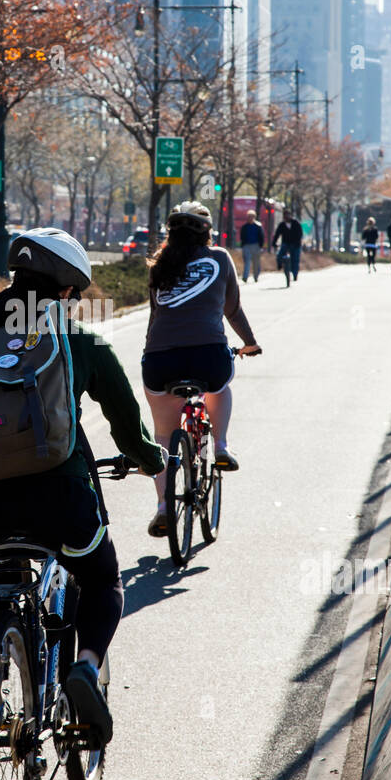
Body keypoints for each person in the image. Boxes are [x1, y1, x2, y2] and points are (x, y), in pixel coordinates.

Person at [0, 228, 163, 745]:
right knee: (103, 577)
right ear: (66, 290)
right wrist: (151, 459)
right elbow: (127, 424)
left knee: (4, 575)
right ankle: (85, 668)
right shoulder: (78, 340)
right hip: (57, 499)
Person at [141, 202, 261, 538]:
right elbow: (232, 310)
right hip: (208, 357)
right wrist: (249, 343)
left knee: (163, 435)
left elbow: (156, 317)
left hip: (159, 361)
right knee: (219, 387)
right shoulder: (220, 258)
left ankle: (164, 507)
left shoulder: (158, 266)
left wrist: (152, 352)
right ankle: (220, 446)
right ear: (207, 233)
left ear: (170, 234)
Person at [272, 211, 303, 284]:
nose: (287, 217)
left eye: (288, 215)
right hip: (285, 244)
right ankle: (280, 265)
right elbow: (277, 234)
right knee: (279, 255)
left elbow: (300, 234)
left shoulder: (296, 223)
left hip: (296, 244)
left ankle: (295, 274)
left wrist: (297, 243)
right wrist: (274, 243)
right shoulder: (282, 225)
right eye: (285, 215)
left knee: (295, 260)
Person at [240, 209, 265, 283]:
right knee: (247, 262)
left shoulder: (258, 226)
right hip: (247, 246)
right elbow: (242, 236)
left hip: (256, 246)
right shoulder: (244, 227)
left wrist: (261, 246)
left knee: (256, 262)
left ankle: (256, 276)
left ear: (254, 217)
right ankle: (245, 277)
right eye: (249, 216)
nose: (250, 218)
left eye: (251, 216)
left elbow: (262, 237)